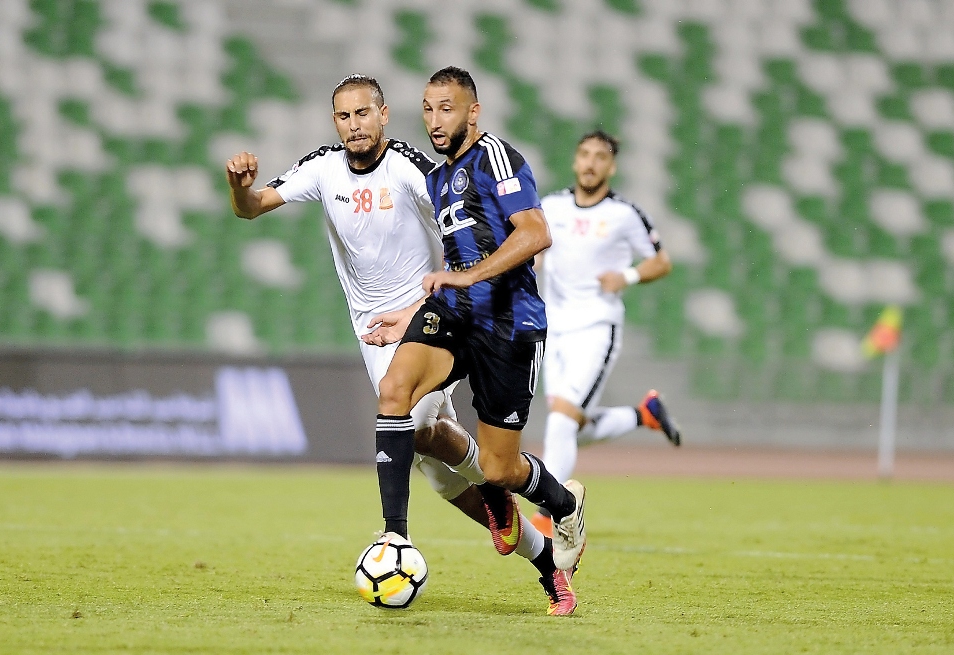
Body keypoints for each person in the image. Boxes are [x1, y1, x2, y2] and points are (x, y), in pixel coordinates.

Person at [223, 74, 556, 610]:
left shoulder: (414, 170)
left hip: (427, 321)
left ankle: (404, 531)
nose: (353, 125)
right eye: (343, 116)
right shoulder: (323, 167)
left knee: (419, 426)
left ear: (383, 115)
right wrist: (239, 186)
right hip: (372, 334)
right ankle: (540, 552)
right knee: (439, 474)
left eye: (363, 114)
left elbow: (467, 231)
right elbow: (251, 207)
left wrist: (446, 297)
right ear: (335, 122)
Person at [368, 66, 584, 615]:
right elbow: (455, 262)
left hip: (507, 324)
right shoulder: (440, 178)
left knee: (499, 469)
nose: (435, 120)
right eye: (428, 108)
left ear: (473, 112)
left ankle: (562, 504)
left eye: (447, 108)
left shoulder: (498, 159)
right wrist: (408, 314)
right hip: (453, 314)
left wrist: (469, 276)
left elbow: (536, 233)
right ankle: (395, 536)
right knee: (395, 391)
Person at [529, 130, 681, 537]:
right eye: (584, 155)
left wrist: (627, 275)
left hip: (597, 327)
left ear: (611, 167)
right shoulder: (552, 206)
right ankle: (642, 414)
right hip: (554, 328)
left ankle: (549, 513)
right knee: (569, 423)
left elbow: (661, 261)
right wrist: (535, 261)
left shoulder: (624, 215)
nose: (591, 163)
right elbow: (534, 247)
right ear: (576, 162)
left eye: (600, 156)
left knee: (561, 422)